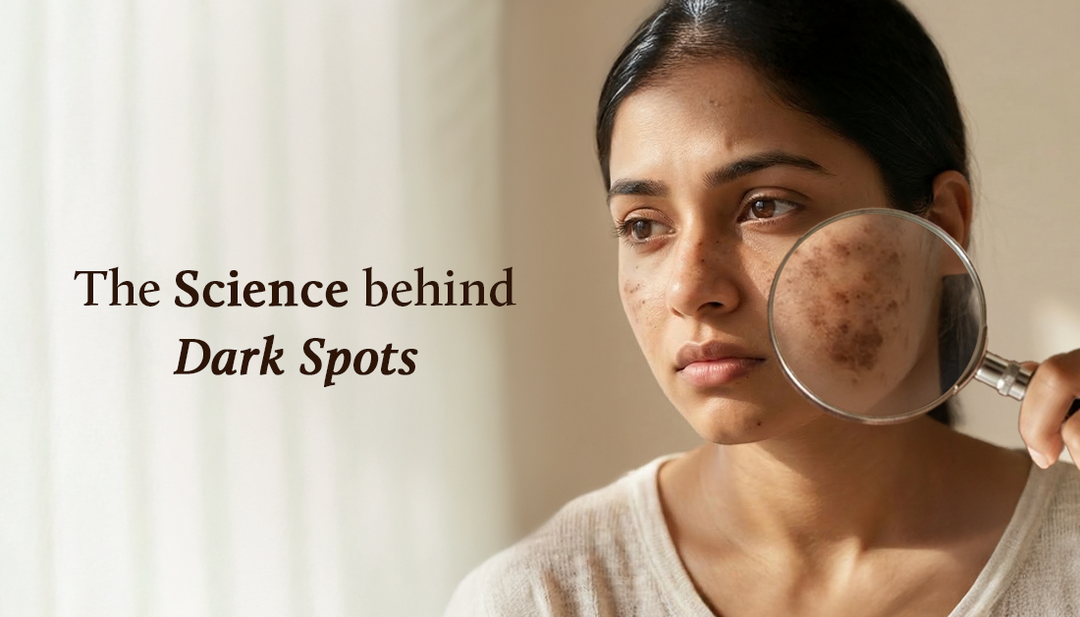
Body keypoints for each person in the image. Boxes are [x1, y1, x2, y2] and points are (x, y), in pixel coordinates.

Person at [446, 0, 1080, 614]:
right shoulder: (545, 598)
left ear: (938, 221)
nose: (688, 289)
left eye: (766, 206)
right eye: (643, 227)